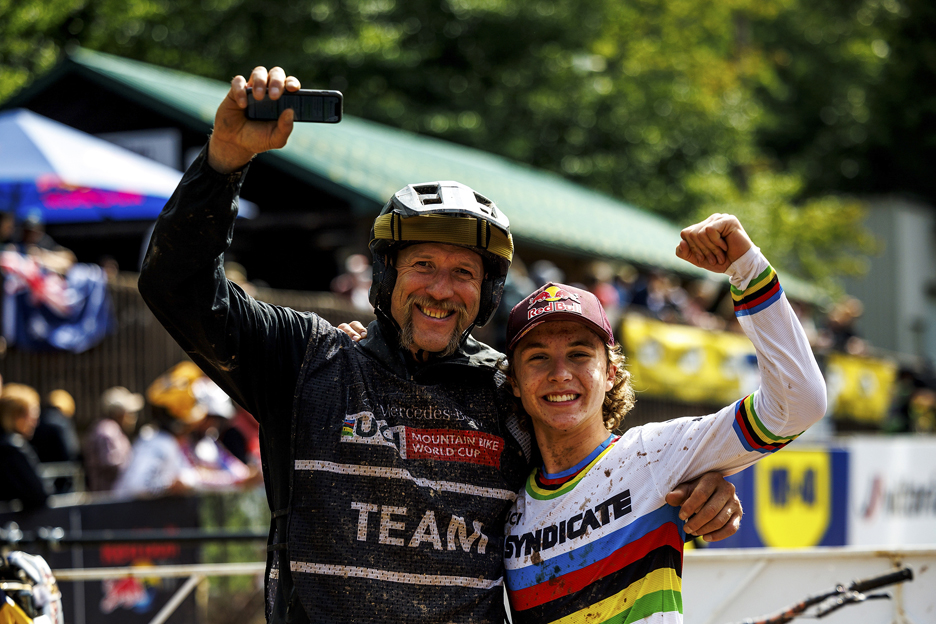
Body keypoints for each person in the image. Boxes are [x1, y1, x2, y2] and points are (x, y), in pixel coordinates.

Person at [138, 66, 741, 624]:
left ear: (485, 294)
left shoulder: (514, 387)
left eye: (464, 273)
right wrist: (225, 159)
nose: (441, 290)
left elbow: (604, 483)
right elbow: (176, 284)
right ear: (386, 277)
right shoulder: (306, 361)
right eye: (422, 264)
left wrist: (695, 494)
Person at [500, 214, 827, 623]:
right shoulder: (503, 501)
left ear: (611, 372)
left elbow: (799, 405)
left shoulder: (655, 455)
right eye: (538, 357)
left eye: (580, 355)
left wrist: (746, 267)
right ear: (513, 381)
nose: (560, 373)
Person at [114, 361, 258, 497]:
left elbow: (194, 479)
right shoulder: (158, 443)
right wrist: (168, 486)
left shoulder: (173, 444)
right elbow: (136, 487)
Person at [82, 386, 143, 492]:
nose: (133, 417)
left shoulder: (113, 430)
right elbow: (113, 466)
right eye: (129, 413)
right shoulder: (108, 432)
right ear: (119, 414)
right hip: (108, 498)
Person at [0, 383, 49, 511]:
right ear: (17, 416)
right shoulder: (13, 447)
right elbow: (39, 493)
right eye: (32, 415)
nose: (35, 421)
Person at [31, 389, 81, 494]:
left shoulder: (38, 421)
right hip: (62, 477)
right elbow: (71, 451)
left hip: (41, 475)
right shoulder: (62, 423)